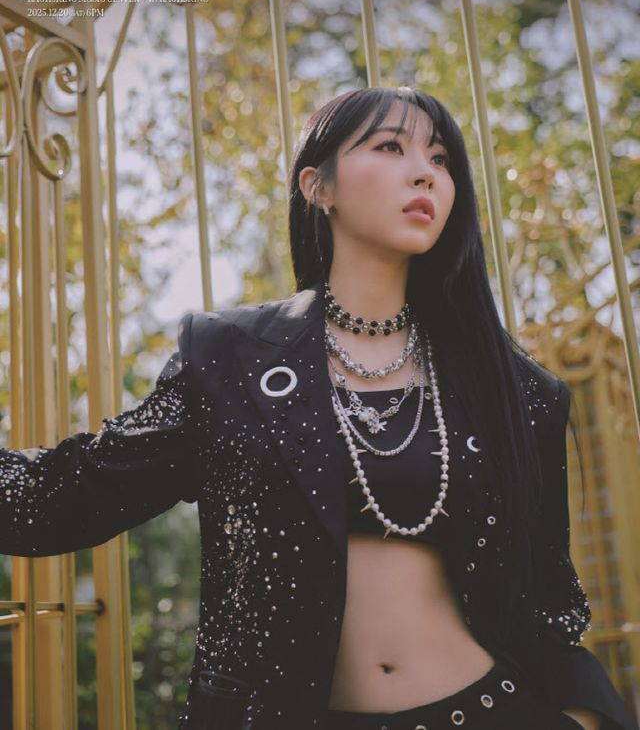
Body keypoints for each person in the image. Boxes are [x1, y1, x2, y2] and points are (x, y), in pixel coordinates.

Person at [0, 86, 637, 730]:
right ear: (318, 187)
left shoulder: (515, 390)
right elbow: (66, 494)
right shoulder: (230, 360)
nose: (425, 172)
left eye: (440, 159)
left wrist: (582, 717)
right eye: (391, 147)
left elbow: (548, 601)